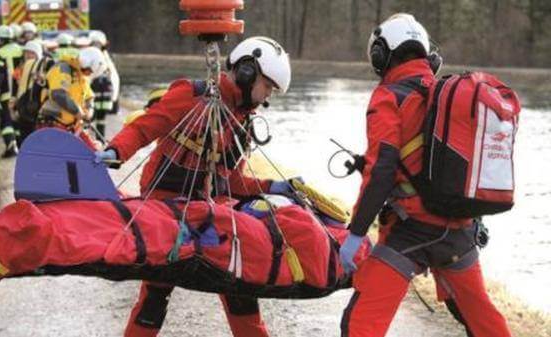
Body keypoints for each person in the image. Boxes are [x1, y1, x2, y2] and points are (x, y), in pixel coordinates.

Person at [96, 36, 294, 337]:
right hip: (165, 205)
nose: (267, 97)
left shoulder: (243, 124)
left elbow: (231, 180)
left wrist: (273, 185)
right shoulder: (192, 96)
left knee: (239, 284)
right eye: (267, 86)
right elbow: (145, 126)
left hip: (208, 209)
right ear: (247, 72)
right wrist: (117, 151)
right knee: (156, 293)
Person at [337, 14, 512, 337]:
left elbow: (383, 168)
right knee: (483, 322)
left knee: (360, 324)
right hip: (461, 231)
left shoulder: (388, 97)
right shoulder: (445, 95)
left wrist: (356, 233)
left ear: (381, 55)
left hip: (411, 233)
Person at [37, 46, 106, 150]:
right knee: (61, 159)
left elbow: (89, 96)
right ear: (86, 63)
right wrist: (78, 112)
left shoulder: (81, 76)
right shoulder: (62, 69)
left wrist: (89, 111)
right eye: (90, 71)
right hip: (53, 123)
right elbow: (58, 94)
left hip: (73, 126)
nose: (89, 74)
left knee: (93, 153)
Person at [0, 25, 23, 157]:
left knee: (6, 122)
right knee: (19, 122)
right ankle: (21, 147)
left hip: (7, 95)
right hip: (22, 95)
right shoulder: (21, 50)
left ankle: (11, 147)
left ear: (0, 39)